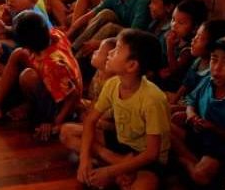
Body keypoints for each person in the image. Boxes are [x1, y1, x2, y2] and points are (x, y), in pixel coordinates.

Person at [62, 29, 169, 190]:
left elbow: (152, 154)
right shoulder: (113, 84)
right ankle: (119, 165)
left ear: (131, 65)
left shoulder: (153, 99)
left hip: (146, 158)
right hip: (122, 143)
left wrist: (108, 172)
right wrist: (84, 161)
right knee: (67, 132)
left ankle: (119, 171)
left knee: (143, 186)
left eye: (117, 49)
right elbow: (91, 120)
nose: (110, 52)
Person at [0, 11, 82, 141]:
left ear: (27, 43)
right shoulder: (54, 34)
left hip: (62, 103)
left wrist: (53, 121)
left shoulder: (53, 66)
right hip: (53, 80)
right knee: (18, 54)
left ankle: (33, 110)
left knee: (27, 77)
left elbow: (74, 95)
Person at [171, 36, 225, 186]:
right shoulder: (209, 80)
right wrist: (191, 114)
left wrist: (214, 128)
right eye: (214, 60)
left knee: (201, 176)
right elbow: (191, 101)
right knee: (166, 127)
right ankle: (194, 161)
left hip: (219, 145)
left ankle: (185, 162)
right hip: (200, 133)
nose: (216, 68)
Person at [168, 19, 225, 107]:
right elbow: (185, 84)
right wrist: (173, 101)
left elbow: (197, 102)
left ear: (212, 45)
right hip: (185, 102)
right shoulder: (198, 61)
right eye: (196, 35)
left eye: (199, 38)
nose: (193, 40)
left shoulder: (213, 73)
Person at [158, 0, 208, 92]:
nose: (174, 25)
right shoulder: (175, 38)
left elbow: (175, 71)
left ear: (195, 28)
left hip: (178, 86)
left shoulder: (190, 48)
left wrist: (170, 47)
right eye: (173, 19)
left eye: (180, 23)